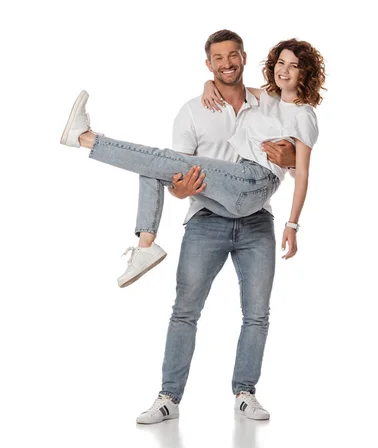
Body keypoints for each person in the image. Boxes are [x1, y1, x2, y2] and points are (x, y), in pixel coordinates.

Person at [60, 31, 325, 422]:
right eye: (218, 59)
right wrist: (181, 188)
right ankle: (169, 396)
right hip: (208, 217)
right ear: (210, 65)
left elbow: (301, 173)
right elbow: (175, 178)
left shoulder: (271, 102)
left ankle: (245, 393)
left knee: (257, 314)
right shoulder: (201, 107)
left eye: (233, 56)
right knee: (184, 307)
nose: (227, 64)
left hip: (254, 204)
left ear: (244, 58)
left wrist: (292, 220)